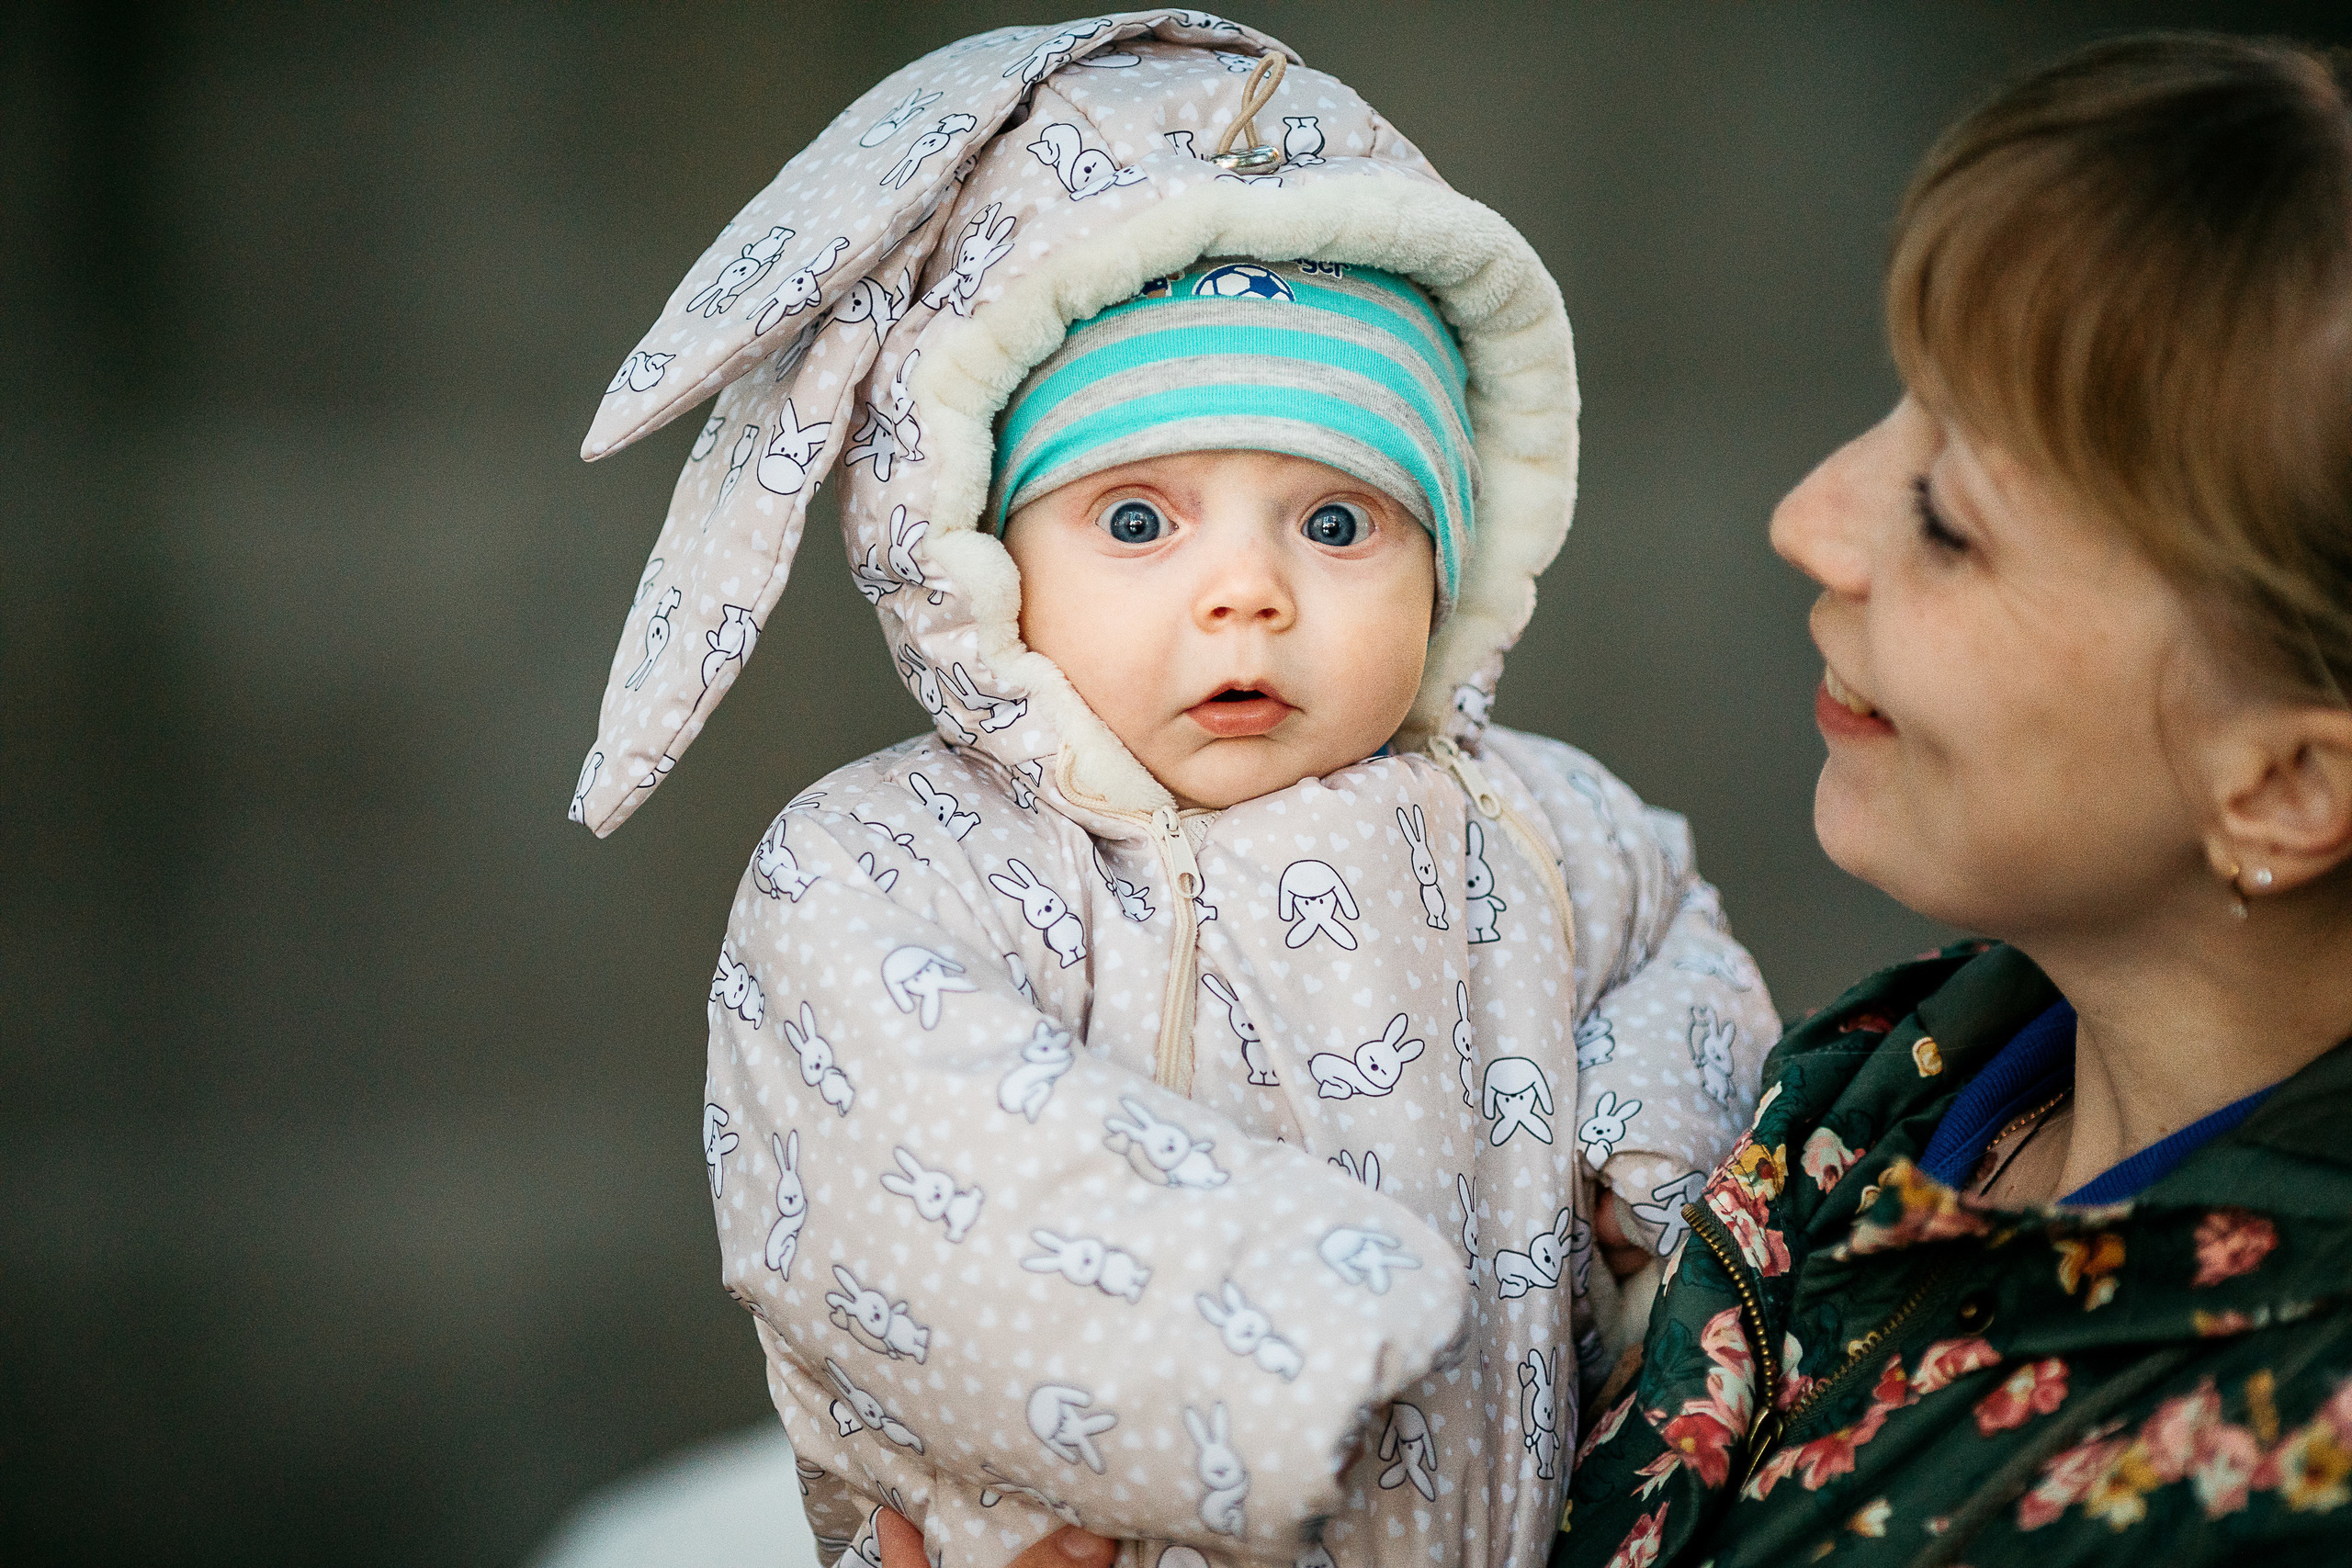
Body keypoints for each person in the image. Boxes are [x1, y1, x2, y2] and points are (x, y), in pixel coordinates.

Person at [570, 14, 1777, 1568]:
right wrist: (1300, 1330)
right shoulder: (884, 866)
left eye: (1336, 525)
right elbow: (901, 1165)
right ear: (981, 553)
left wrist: (1645, 1174)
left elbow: (1682, 947)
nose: (1247, 597)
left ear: (1450, 565)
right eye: (1139, 521)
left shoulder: (1543, 832)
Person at [1558, 31, 2352, 1567]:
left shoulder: (2286, 1475)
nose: (1806, 521)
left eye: (1946, 519)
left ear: (2289, 784)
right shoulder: (1886, 1085)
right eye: (1898, 407)